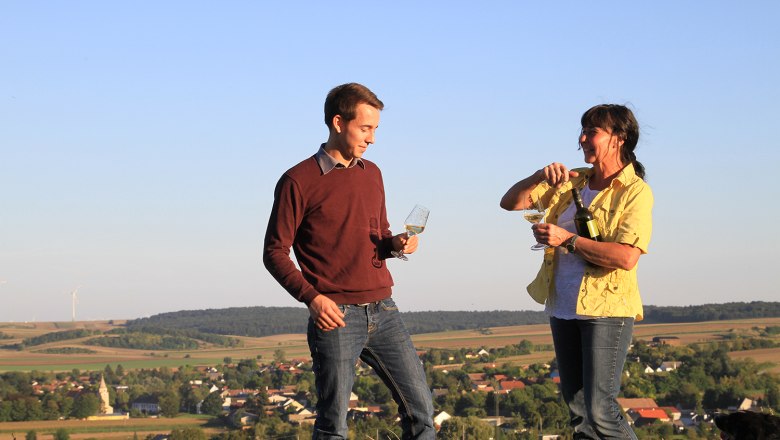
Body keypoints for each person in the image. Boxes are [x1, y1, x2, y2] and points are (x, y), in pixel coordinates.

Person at [263, 83, 435, 439]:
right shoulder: (298, 180)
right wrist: (312, 298)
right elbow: (274, 252)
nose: (372, 139)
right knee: (333, 426)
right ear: (338, 122)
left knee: (421, 411)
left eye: (376, 129)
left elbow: (378, 238)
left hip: (384, 310)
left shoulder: (372, 173)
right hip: (336, 316)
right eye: (366, 128)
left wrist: (397, 245)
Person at [500, 104, 653, 439]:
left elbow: (627, 257)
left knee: (601, 409)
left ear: (618, 139)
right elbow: (510, 202)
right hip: (564, 304)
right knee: (578, 412)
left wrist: (567, 240)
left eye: (592, 131)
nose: (582, 138)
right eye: (582, 131)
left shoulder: (635, 191)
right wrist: (540, 175)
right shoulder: (573, 181)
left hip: (607, 310)